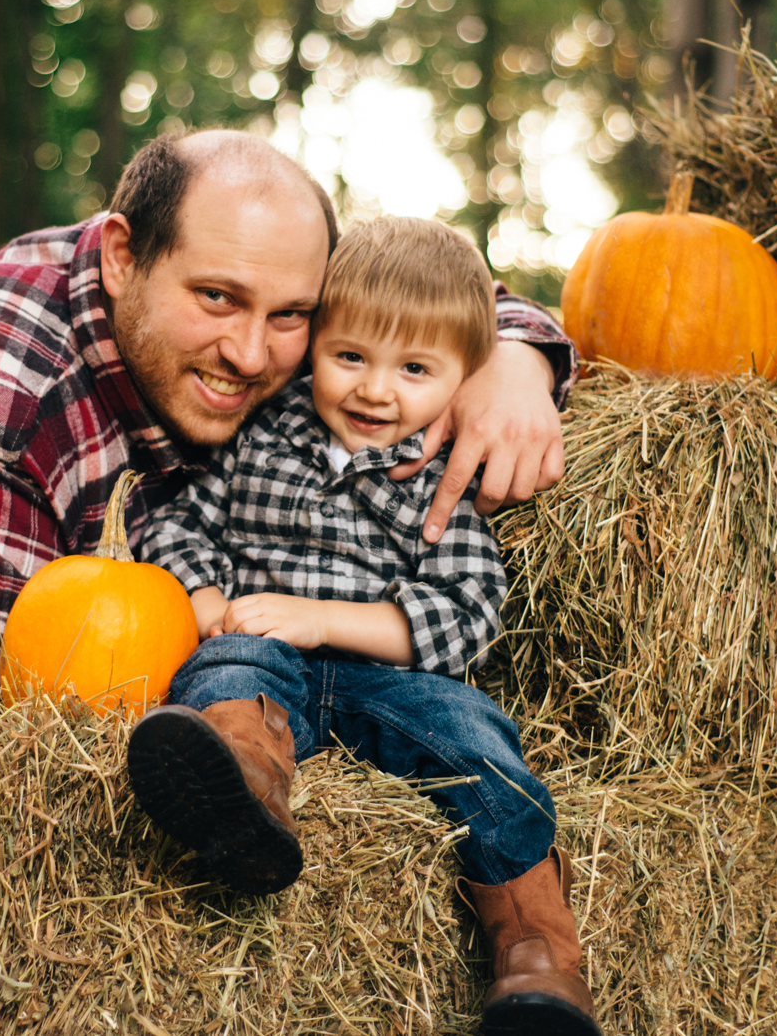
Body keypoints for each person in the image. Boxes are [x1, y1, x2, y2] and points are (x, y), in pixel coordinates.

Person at [0, 130, 577, 786]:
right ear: (122, 256)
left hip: (202, 661)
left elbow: (423, 303)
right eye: (216, 298)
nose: (253, 354)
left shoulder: (284, 287)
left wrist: (517, 359)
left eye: (292, 314)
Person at [127, 216, 599, 1036]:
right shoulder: (263, 438)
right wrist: (200, 592)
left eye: (415, 369)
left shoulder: (440, 474)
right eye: (350, 357)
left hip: (391, 680)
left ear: (465, 378)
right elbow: (180, 520)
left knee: (473, 736)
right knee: (227, 670)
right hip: (268, 653)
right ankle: (245, 789)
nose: (377, 390)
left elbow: (467, 610)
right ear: (315, 346)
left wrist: (322, 618)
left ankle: (537, 954)